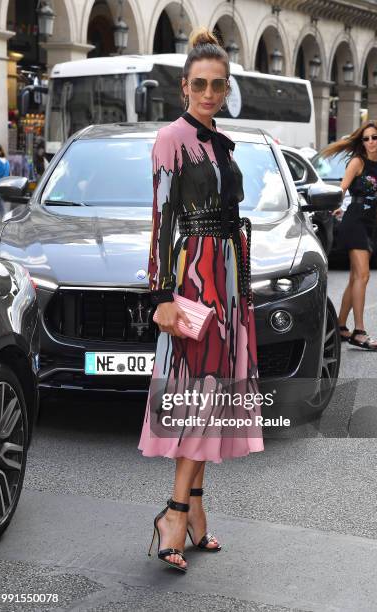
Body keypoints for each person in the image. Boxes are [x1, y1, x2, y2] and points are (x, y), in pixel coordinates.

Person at [138, 27, 264, 572]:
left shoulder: (221, 141)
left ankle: (194, 510)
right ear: (184, 87)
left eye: (218, 85)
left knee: (212, 397)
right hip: (195, 280)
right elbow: (161, 219)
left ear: (226, 88)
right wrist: (163, 293)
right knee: (200, 395)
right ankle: (173, 511)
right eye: (200, 85)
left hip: (229, 277)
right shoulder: (172, 138)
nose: (209, 94)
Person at [321, 120, 377, 350]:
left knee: (356, 277)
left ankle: (340, 326)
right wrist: (336, 206)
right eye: (366, 138)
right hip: (354, 221)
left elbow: (376, 191)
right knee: (363, 276)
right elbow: (343, 188)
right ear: (361, 142)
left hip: (368, 224)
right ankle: (360, 331)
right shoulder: (357, 161)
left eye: (374, 137)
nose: (370, 142)